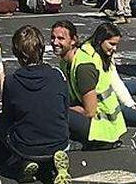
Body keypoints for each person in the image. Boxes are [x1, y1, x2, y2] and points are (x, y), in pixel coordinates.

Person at [0, 25, 71, 184]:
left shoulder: (12, 81)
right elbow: (65, 109)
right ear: (43, 49)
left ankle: (21, 164)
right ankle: (51, 164)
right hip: (60, 140)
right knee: (44, 129)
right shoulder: (58, 75)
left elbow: (9, 118)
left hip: (26, 146)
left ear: (17, 54)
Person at [49, 21, 125, 150]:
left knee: (52, 112)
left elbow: (90, 111)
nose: (55, 42)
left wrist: (61, 108)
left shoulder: (83, 68)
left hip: (104, 128)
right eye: (53, 37)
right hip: (99, 123)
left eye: (61, 38)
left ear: (73, 41)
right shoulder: (66, 61)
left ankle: (69, 144)